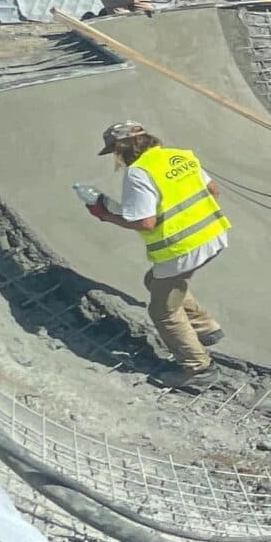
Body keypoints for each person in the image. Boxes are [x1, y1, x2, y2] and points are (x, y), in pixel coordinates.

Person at [83, 120, 232, 391]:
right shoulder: (179, 156)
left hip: (180, 249)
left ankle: (198, 369)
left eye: (114, 152)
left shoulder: (138, 172)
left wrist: (106, 215)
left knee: (163, 311)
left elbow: (145, 222)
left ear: (121, 148)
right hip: (215, 235)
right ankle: (205, 327)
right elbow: (213, 191)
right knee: (154, 281)